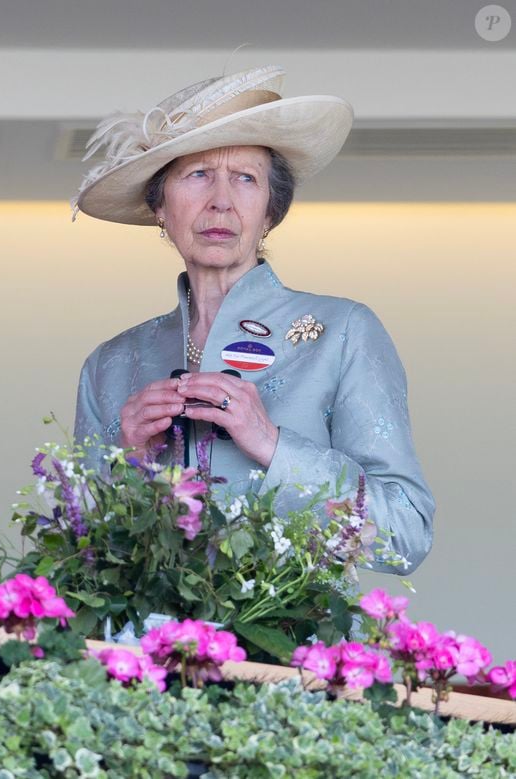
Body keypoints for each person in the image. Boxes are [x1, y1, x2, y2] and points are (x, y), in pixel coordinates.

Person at [73, 65, 435, 574]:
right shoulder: (111, 364)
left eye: (246, 178)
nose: (221, 201)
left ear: (269, 211)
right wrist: (128, 462)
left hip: (293, 628)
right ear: (160, 207)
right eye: (198, 174)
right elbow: (79, 562)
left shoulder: (343, 331)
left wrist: (272, 444)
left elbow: (406, 533)